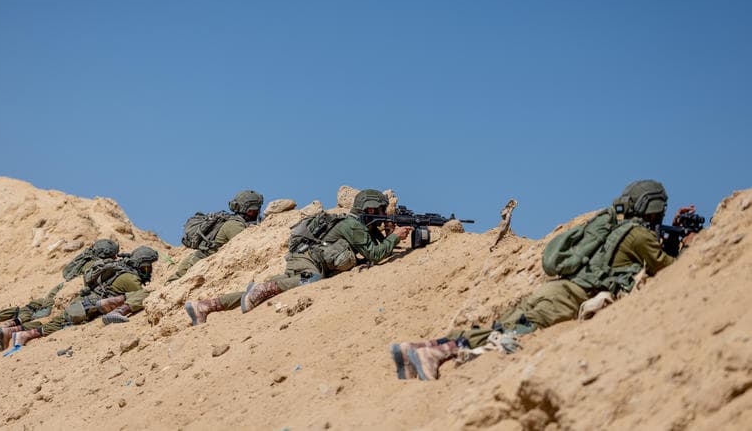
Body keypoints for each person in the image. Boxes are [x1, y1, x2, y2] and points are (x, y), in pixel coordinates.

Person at [391, 180, 695, 381]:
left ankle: (418, 349)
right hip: (568, 296)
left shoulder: (613, 227)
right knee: (509, 332)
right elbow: (668, 267)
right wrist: (691, 245)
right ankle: (433, 353)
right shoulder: (638, 235)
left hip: (558, 289)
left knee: (501, 326)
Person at [185, 189, 413, 324]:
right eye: (382, 211)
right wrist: (395, 237)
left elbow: (371, 253)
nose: (384, 214)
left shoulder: (358, 225)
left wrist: (388, 233)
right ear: (371, 209)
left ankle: (205, 306)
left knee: (267, 288)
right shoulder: (352, 225)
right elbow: (375, 254)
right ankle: (261, 290)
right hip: (308, 261)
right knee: (309, 280)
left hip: (303, 257)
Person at [0, 246, 159, 350]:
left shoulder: (117, 270)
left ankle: (9, 331)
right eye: (147, 267)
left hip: (80, 301)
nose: (148, 271)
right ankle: (22, 335)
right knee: (56, 326)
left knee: (54, 322)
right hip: (85, 308)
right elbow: (139, 296)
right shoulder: (130, 279)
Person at [0, 239, 120, 338]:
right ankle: (8, 330)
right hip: (65, 298)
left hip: (57, 291)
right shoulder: (98, 266)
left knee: (32, 307)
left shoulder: (85, 259)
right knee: (45, 318)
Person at [166, 190, 264, 282]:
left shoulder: (237, 222)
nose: (258, 212)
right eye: (255, 210)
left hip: (198, 263)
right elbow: (248, 246)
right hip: (193, 264)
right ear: (248, 210)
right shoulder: (234, 225)